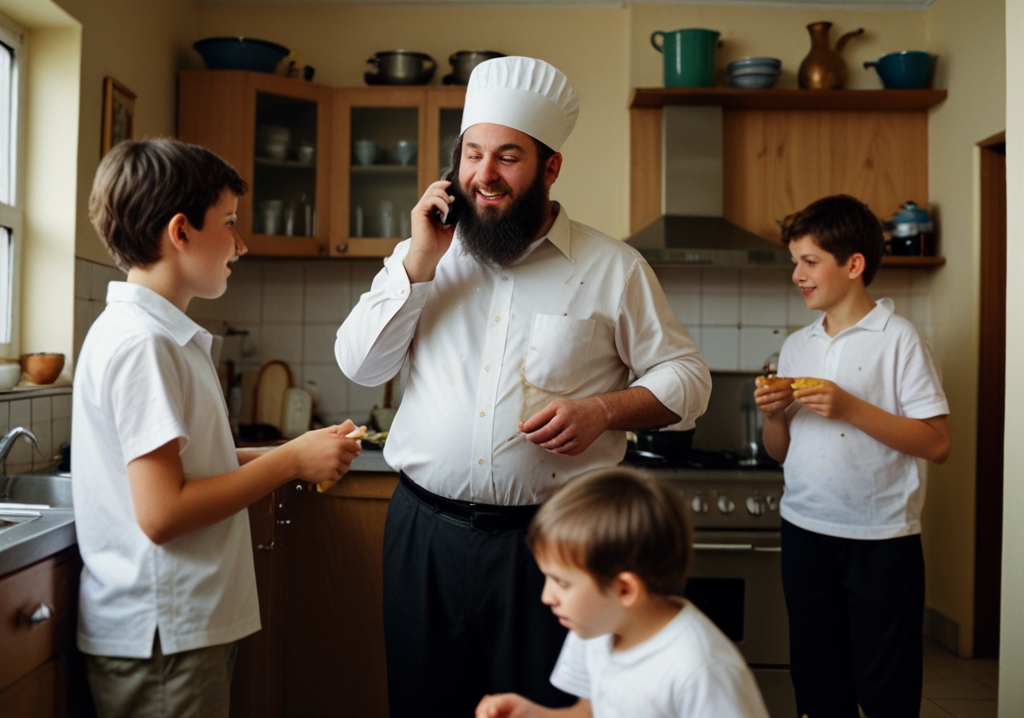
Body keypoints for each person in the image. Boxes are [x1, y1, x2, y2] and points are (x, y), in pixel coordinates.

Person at [336, 56, 711, 716]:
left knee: (538, 710)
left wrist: (605, 409)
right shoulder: (426, 256)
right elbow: (360, 366)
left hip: (553, 550)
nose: (484, 175)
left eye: (508, 156)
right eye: (472, 154)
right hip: (424, 536)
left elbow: (689, 380)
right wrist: (419, 260)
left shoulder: (612, 268)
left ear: (550, 167)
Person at [74, 138, 363, 718]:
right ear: (180, 231)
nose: (241, 243)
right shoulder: (142, 344)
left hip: (179, 631)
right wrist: (289, 462)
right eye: (229, 223)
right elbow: (164, 514)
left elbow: (192, 467)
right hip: (165, 636)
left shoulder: (158, 335)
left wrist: (300, 450)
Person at [754, 194, 951, 717]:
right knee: (817, 683)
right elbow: (780, 451)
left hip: (881, 539)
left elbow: (937, 443)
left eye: (809, 261)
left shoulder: (901, 340)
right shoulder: (797, 344)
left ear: (854, 265)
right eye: (795, 261)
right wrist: (775, 416)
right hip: (805, 531)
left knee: (887, 688)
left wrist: (849, 407)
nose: (797, 274)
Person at [474, 466, 770, 718]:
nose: (546, 597)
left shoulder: (701, 669)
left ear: (625, 590)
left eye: (561, 582)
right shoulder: (596, 626)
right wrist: (534, 714)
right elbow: (590, 712)